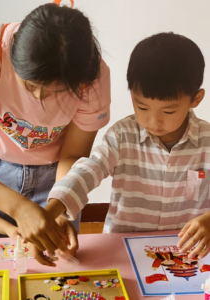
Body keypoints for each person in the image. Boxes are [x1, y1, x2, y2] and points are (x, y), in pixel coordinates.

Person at [0, 2, 110, 253]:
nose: (40, 96)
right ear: (13, 55)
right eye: (30, 85)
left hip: (55, 179)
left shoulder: (94, 79)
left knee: (59, 266)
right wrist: (20, 208)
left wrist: (59, 209)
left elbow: (73, 156)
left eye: (57, 91)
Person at [46, 32, 210, 263]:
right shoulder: (122, 136)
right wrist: (53, 209)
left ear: (196, 99)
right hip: (124, 249)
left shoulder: (207, 141)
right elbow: (89, 170)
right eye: (141, 107)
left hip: (187, 253)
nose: (154, 122)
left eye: (168, 111)